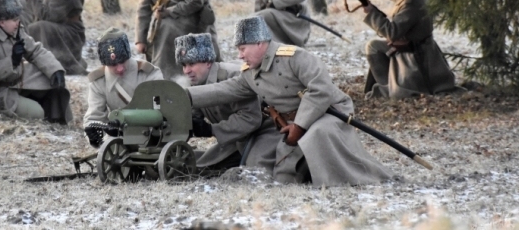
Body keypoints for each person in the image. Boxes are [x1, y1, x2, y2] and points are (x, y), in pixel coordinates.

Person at [188, 17, 395, 187]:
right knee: (269, 165)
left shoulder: (294, 57)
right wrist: (185, 96)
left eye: (243, 48)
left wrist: (300, 125)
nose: (240, 55)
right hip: (290, 123)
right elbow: (224, 90)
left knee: (315, 136)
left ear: (259, 43)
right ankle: (301, 176)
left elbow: (321, 89)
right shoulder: (250, 73)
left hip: (328, 113)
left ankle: (347, 180)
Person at [176, 33, 276, 172]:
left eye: (192, 64)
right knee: (199, 164)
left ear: (208, 62)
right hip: (238, 137)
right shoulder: (197, 82)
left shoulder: (233, 76)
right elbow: (194, 115)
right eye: (184, 65)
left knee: (257, 170)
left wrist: (211, 130)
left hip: (267, 130)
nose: (187, 70)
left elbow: (251, 118)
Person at [361, 0, 456, 98]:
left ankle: (389, 89)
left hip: (417, 58)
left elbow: (391, 32)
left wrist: (372, 13)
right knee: (373, 46)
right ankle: (387, 85)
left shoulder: (410, 3)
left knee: (374, 47)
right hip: (412, 49)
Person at [83, 28, 163, 147]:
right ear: (104, 64)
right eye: (113, 65)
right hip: (120, 142)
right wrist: (93, 134)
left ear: (128, 55)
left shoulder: (149, 74)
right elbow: (94, 116)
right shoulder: (98, 82)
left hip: (154, 139)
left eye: (123, 61)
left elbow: (162, 111)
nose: (119, 68)